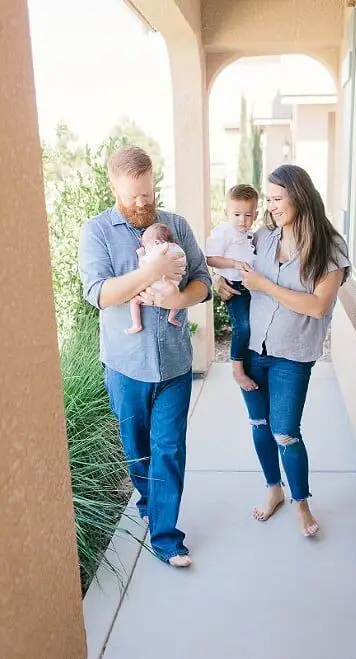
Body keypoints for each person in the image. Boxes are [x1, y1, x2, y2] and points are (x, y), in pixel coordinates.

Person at [78, 146, 211, 567]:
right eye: (133, 195)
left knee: (170, 448)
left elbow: (203, 282)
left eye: (148, 193)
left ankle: (167, 538)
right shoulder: (97, 230)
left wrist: (178, 294)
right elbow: (97, 293)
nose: (142, 203)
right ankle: (152, 504)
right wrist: (149, 274)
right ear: (113, 187)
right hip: (125, 367)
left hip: (174, 364)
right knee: (138, 451)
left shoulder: (176, 225)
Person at [215, 165, 350, 537]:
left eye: (276, 199)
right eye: (268, 199)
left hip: (293, 356)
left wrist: (266, 285)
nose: (270, 207)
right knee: (259, 424)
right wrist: (219, 280)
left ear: (300, 196)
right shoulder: (263, 238)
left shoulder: (329, 247)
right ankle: (274, 488)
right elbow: (232, 264)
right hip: (255, 349)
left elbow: (319, 306)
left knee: (286, 432)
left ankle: (301, 502)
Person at [206, 184, 259, 392]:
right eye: (236, 214)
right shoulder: (223, 232)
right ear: (227, 212)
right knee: (243, 326)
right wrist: (234, 265)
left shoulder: (250, 233)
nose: (242, 220)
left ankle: (249, 364)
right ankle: (237, 369)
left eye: (248, 215)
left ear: (255, 213)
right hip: (234, 286)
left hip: (251, 286)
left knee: (254, 326)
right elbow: (211, 259)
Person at [125, 223, 186, 334]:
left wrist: (141, 255)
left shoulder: (157, 250)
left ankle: (136, 325)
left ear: (157, 242)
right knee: (177, 301)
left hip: (155, 288)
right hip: (171, 288)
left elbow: (144, 267)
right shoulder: (179, 249)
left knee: (134, 301)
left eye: (146, 246)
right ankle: (171, 317)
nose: (145, 248)